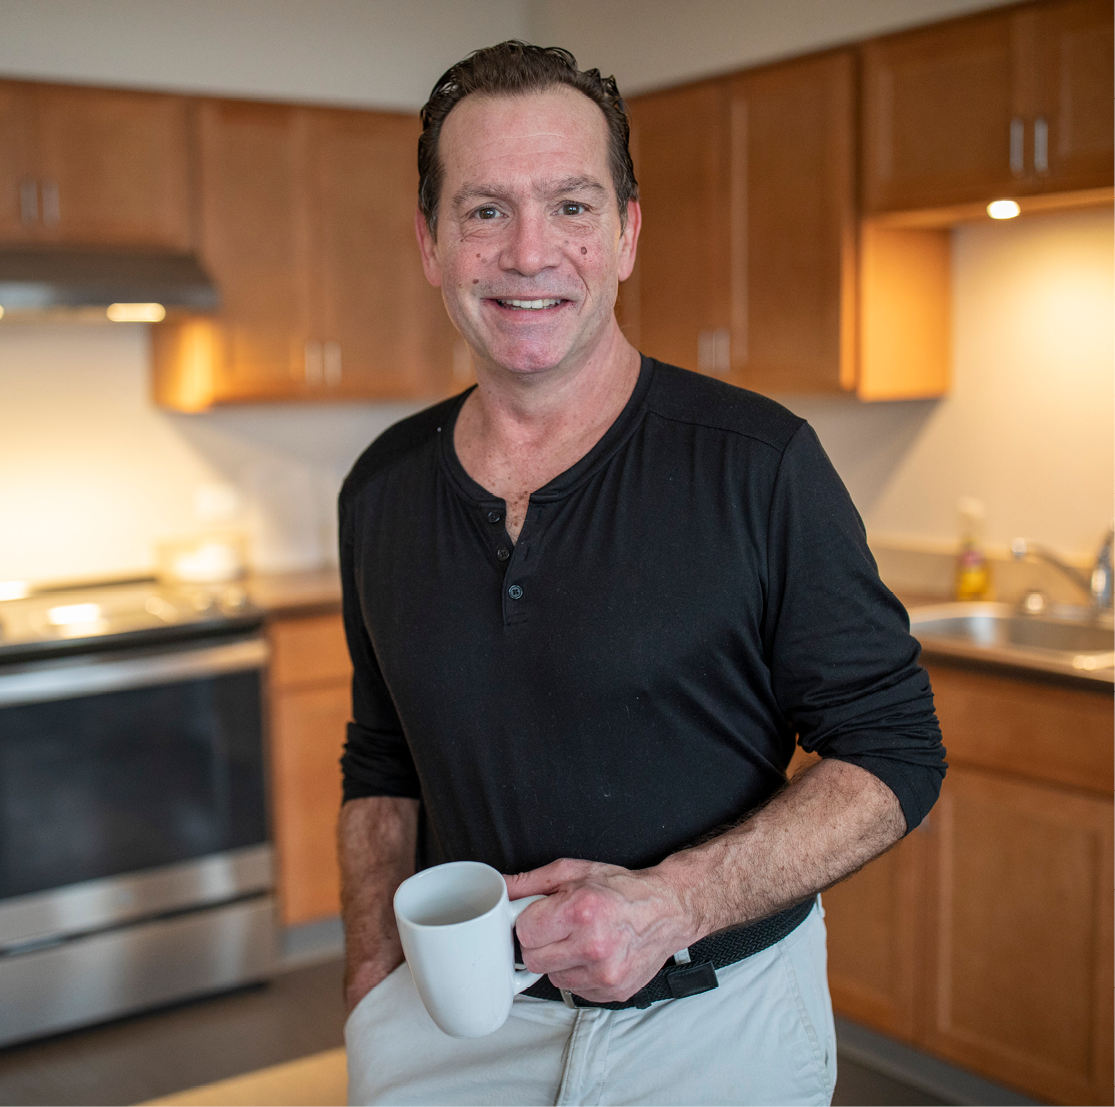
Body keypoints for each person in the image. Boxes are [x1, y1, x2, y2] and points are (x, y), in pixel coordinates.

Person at [338, 41, 945, 1107]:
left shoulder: (760, 465)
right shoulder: (381, 488)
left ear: (625, 231)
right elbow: (380, 758)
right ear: (429, 242)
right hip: (448, 1030)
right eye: (484, 211)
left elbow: (893, 753)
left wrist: (673, 904)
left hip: (716, 1028)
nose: (529, 253)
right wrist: (366, 977)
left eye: (570, 206)